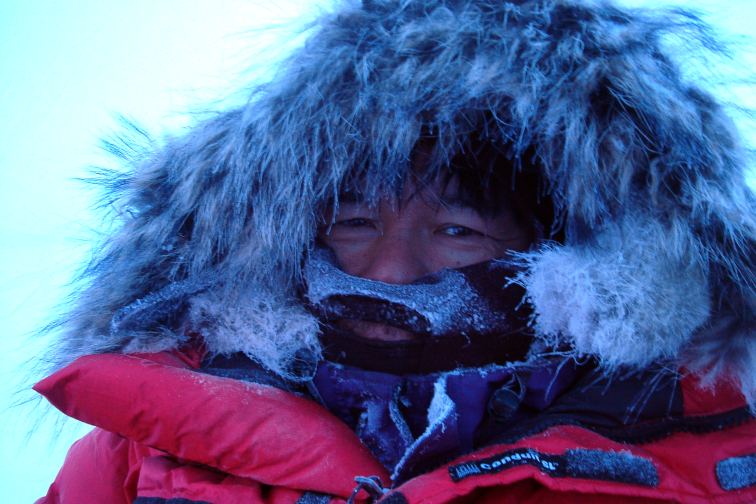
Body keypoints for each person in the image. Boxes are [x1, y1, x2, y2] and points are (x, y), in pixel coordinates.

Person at [34, 0, 755, 502]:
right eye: (353, 222)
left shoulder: (714, 449)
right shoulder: (149, 448)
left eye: (456, 231)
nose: (387, 271)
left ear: (565, 255)